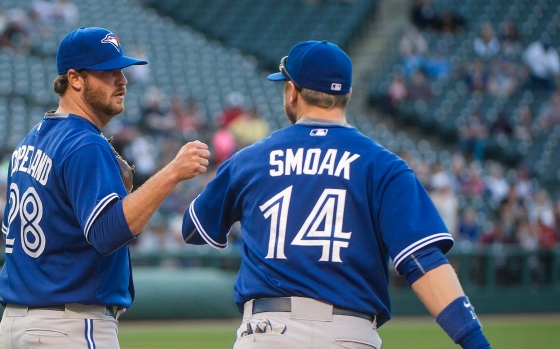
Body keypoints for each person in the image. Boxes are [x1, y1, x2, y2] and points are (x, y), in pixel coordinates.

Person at [181, 40, 491, 349]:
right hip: (348, 333)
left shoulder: (249, 159)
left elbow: (194, 229)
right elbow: (422, 260)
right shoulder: (383, 165)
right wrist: (474, 342)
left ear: (291, 91)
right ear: (347, 95)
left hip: (265, 333)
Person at [0, 27, 210, 349]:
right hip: (68, 324)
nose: (122, 80)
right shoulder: (84, 144)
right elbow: (108, 232)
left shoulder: (34, 138)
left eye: (121, 71)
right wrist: (173, 173)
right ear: (75, 78)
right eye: (108, 72)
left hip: (22, 321)